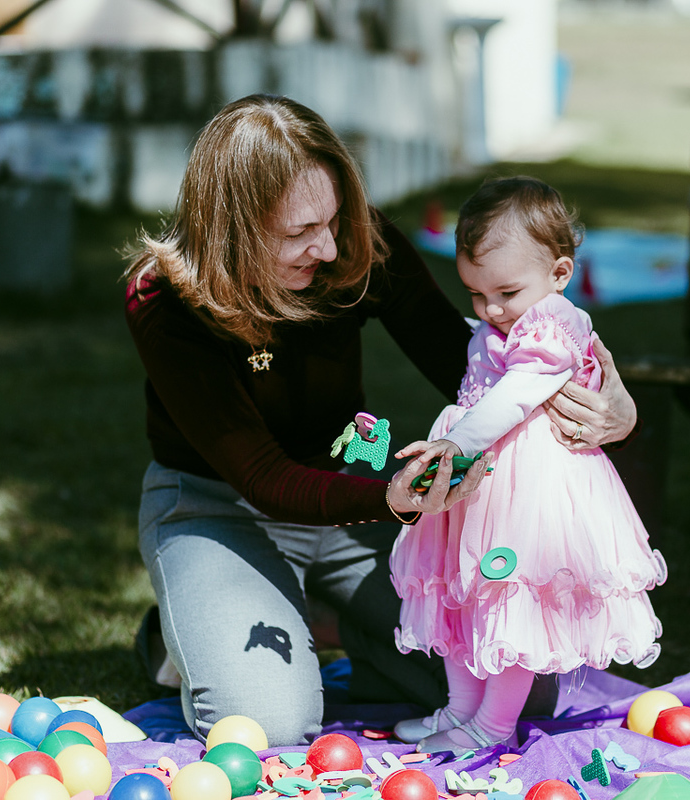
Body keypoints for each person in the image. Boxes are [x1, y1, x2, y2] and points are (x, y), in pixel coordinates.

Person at [122, 94, 641, 746]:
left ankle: (324, 619)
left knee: (520, 687)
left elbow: (468, 363)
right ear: (235, 229)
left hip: (348, 496)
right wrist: (391, 499)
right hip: (218, 508)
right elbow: (259, 474)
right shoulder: (164, 299)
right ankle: (184, 629)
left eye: (335, 218)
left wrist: (611, 402)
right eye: (298, 234)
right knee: (270, 725)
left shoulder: (355, 247)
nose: (330, 245)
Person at [389, 177, 667, 756]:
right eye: (475, 294)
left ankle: (490, 727)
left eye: (505, 293)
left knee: (513, 602)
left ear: (560, 274)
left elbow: (518, 394)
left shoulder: (554, 326)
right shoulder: (504, 323)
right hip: (483, 486)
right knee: (460, 595)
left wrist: (454, 444)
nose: (491, 309)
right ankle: (460, 712)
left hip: (529, 489)